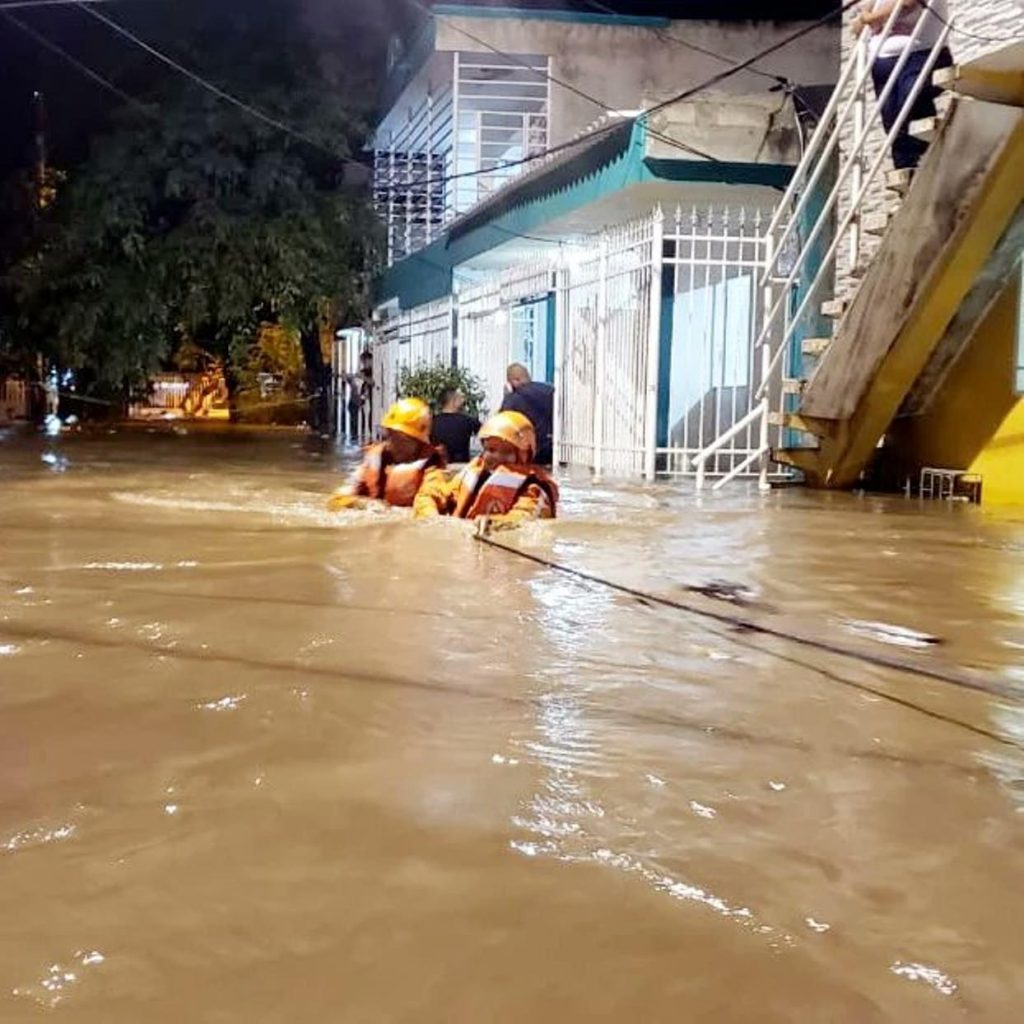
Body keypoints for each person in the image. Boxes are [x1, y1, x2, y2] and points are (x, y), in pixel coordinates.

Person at [853, 0, 953, 172]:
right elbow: (856, 28)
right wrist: (866, 16)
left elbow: (907, 5)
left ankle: (926, 163)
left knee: (911, 98)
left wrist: (870, 17)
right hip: (883, 62)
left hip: (923, 52)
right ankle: (906, 169)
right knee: (891, 120)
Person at [327, 397, 448, 518]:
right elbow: (338, 498)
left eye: (400, 439)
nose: (392, 443)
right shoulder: (375, 459)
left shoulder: (432, 471)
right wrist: (362, 504)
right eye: (390, 435)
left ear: (418, 442)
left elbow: (428, 507)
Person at [445, 411, 558, 531]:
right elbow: (442, 493)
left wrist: (496, 523)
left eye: (507, 451)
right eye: (491, 450)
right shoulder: (473, 472)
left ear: (524, 455)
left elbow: (525, 515)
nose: (497, 457)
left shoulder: (534, 488)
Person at [499, 363, 554, 466]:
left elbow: (502, 424)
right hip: (554, 449)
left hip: (529, 452)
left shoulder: (513, 399)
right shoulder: (551, 391)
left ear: (515, 381)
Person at [430, 388, 481, 464]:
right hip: (461, 468)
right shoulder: (468, 421)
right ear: (453, 401)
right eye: (460, 398)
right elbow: (488, 434)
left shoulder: (431, 422)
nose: (463, 401)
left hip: (436, 469)